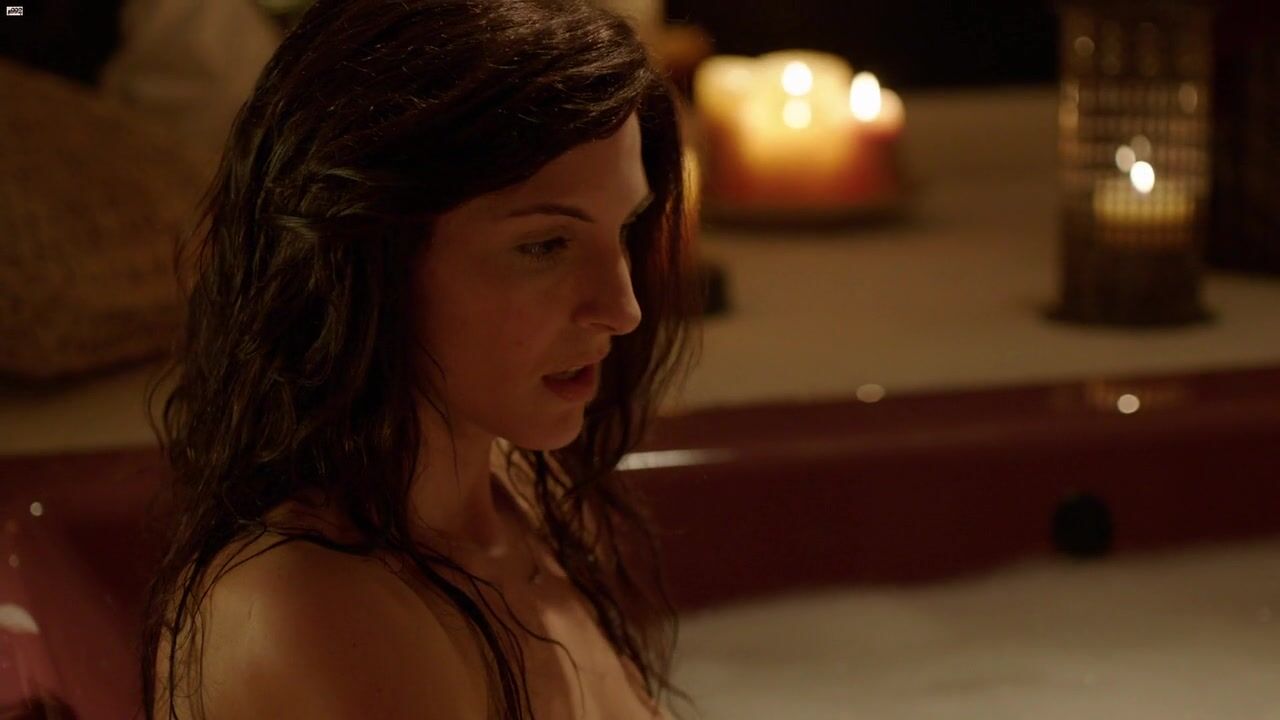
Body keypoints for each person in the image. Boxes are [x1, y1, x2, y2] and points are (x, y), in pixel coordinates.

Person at [139, 0, 704, 717]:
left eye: (623, 229)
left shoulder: (526, 495)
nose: (622, 310)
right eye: (545, 246)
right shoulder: (315, 618)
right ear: (365, 256)